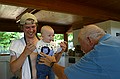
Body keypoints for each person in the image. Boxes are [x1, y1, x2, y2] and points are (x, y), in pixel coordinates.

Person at [40, 24, 120, 79]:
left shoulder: (96, 53)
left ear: (89, 40)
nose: (82, 49)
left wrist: (51, 63)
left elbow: (66, 76)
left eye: (81, 45)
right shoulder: (116, 39)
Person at [9, 12, 40, 79]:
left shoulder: (43, 42)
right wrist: (25, 53)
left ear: (36, 26)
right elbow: (13, 69)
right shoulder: (16, 44)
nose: (31, 30)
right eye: (27, 27)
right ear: (22, 28)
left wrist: (60, 53)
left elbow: (53, 62)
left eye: (33, 27)